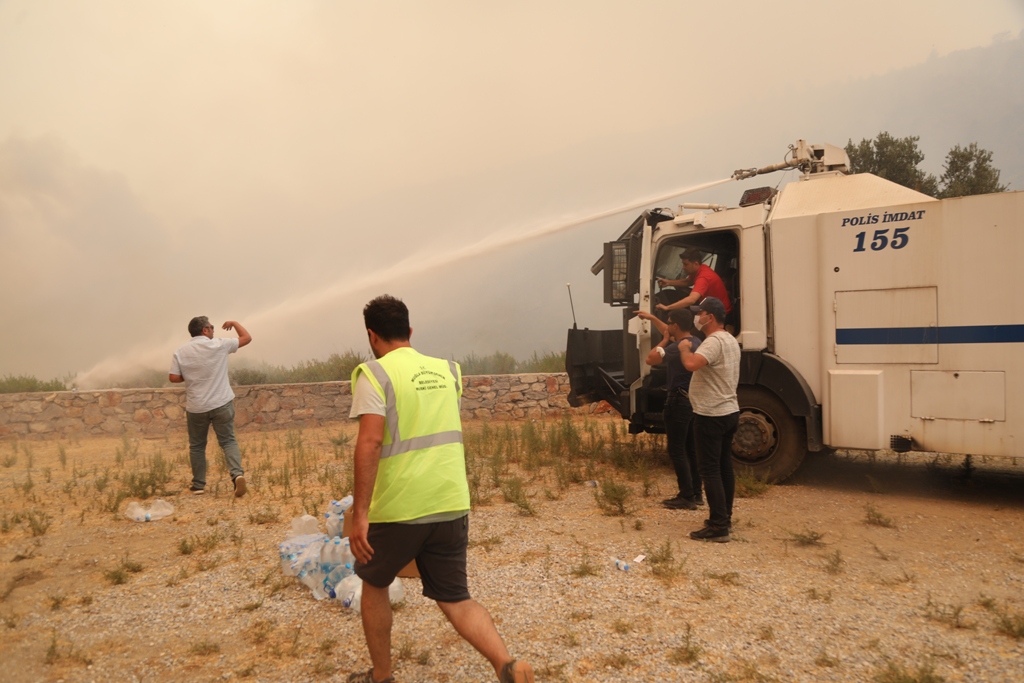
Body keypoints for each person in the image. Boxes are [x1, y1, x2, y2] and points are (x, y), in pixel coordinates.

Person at [347, 295, 533, 683]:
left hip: (400, 505)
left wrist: (360, 514)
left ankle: (381, 676)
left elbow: (369, 442)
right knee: (455, 597)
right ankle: (506, 664)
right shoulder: (449, 371)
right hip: (451, 502)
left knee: (374, 581)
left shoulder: (375, 375)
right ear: (410, 331)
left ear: (371, 335)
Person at [678, 297, 740, 543]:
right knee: (724, 467)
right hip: (729, 411)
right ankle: (725, 517)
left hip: (711, 414)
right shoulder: (730, 340)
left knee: (710, 469)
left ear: (710, 317)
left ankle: (718, 526)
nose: (697, 317)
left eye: (699, 312)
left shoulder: (713, 341)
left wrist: (684, 349)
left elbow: (692, 364)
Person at [168, 316, 250, 497]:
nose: (213, 330)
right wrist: (234, 323)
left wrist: (190, 376)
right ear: (205, 330)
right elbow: (246, 338)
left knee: (197, 446)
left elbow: (173, 377)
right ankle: (237, 476)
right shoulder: (219, 345)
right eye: (211, 327)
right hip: (221, 403)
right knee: (228, 441)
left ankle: (198, 485)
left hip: (196, 407)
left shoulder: (181, 351)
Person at [635, 308, 704, 510]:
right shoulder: (696, 341)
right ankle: (697, 493)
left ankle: (686, 495)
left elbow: (651, 359)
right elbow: (669, 328)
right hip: (692, 401)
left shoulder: (676, 347)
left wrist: (664, 340)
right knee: (691, 449)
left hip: (677, 402)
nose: (668, 326)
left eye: (669, 323)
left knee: (676, 450)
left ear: (675, 326)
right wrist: (653, 318)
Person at [656, 248, 733, 318]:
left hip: (720, 315)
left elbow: (691, 300)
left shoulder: (703, 277)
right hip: (710, 308)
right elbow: (688, 281)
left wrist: (667, 308)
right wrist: (668, 283)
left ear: (695, 264)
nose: (683, 267)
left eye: (685, 264)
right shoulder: (700, 268)